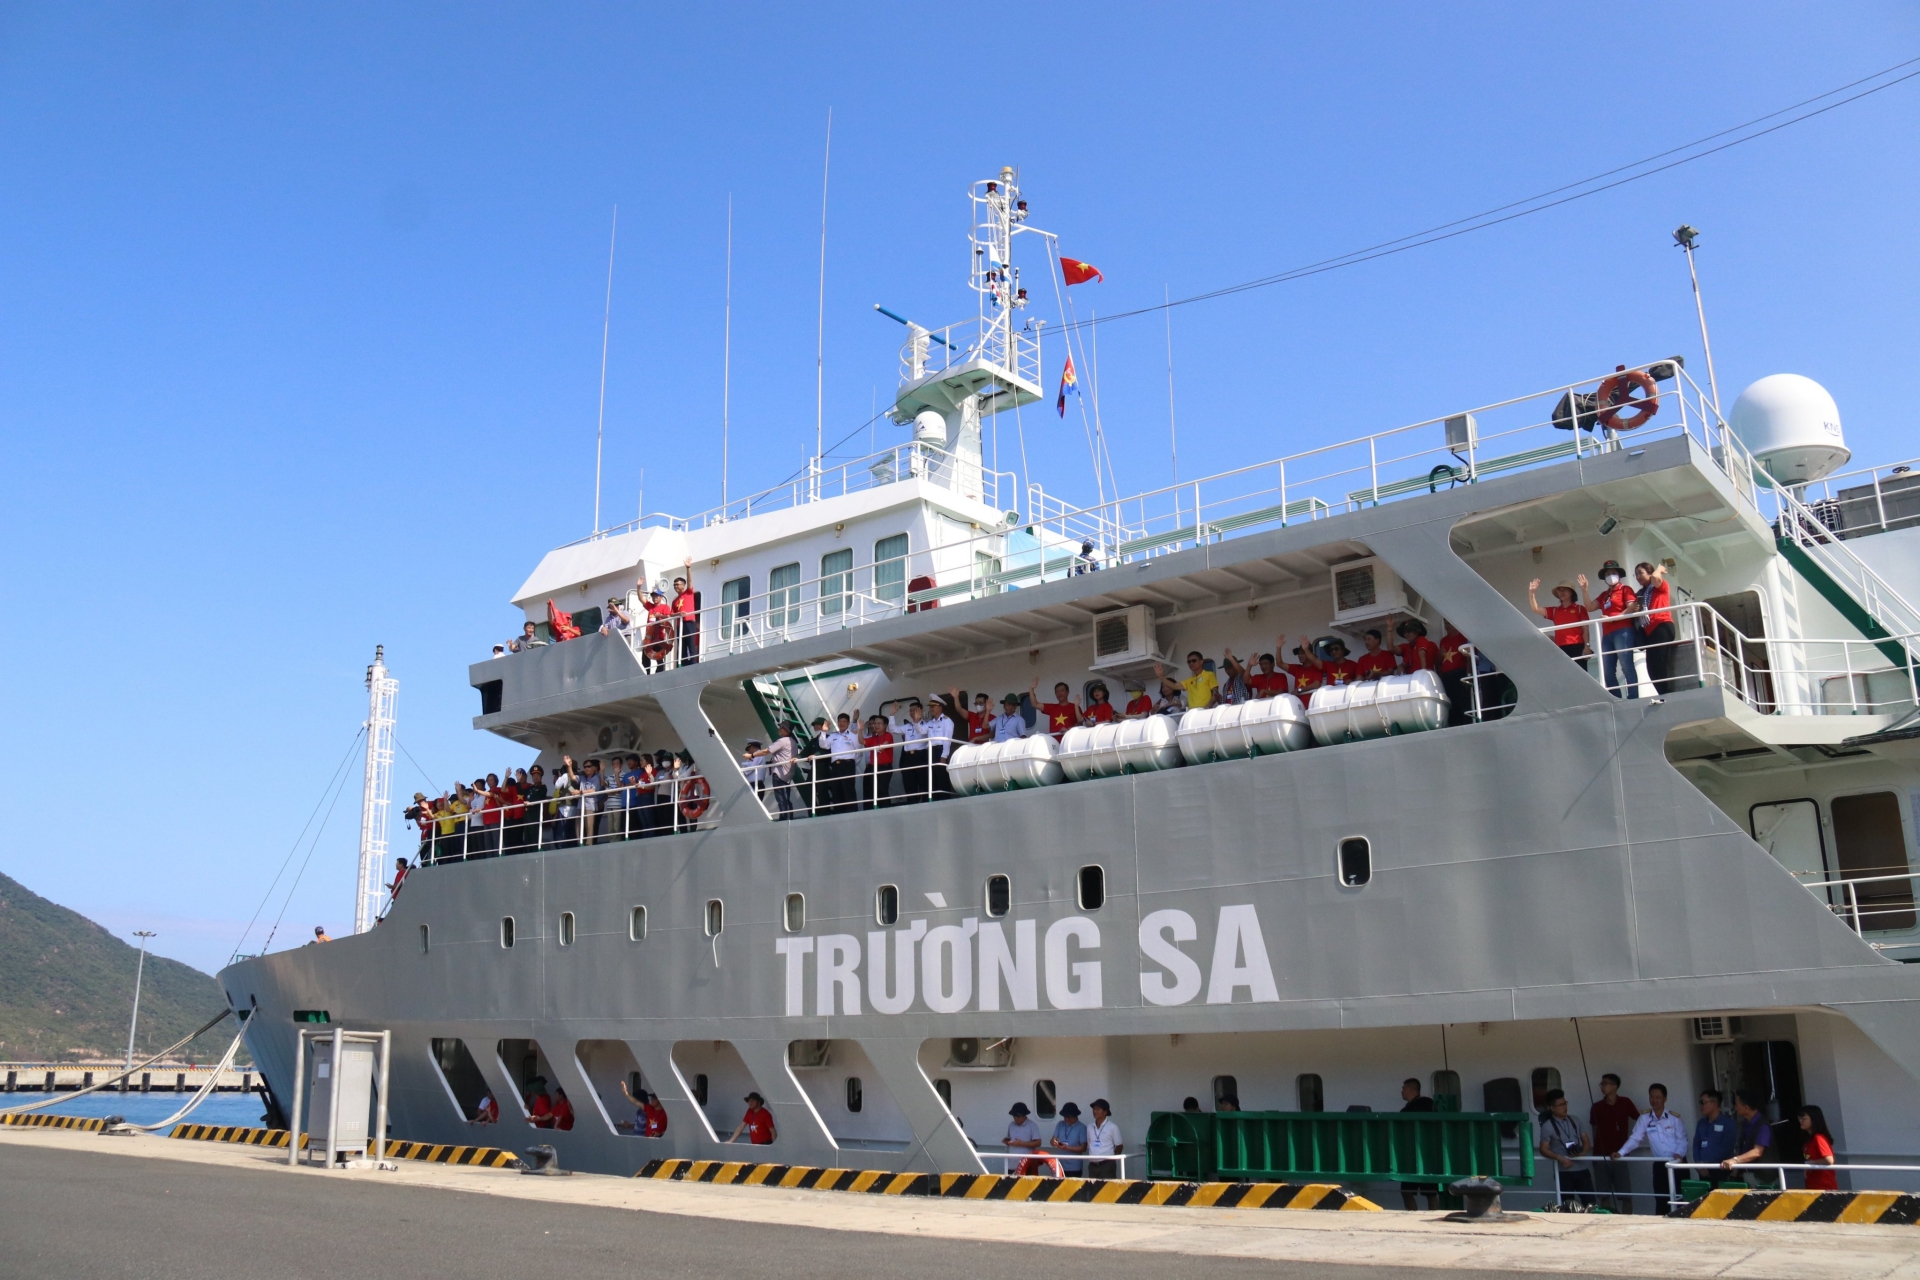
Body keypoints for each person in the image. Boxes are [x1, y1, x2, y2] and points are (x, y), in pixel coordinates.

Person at [1615, 1083, 1688, 1214]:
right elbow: (1635, 1138)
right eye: (1651, 1097)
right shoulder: (1644, 1117)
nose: (1654, 1100)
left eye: (1658, 1097)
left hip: (1677, 1163)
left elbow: (1682, 1140)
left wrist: (1678, 1154)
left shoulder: (1674, 1118)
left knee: (1680, 1200)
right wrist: (1621, 1153)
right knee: (1661, 1200)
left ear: (1665, 1099)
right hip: (1660, 1165)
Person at [1589, 1073, 1641, 1213]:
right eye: (1601, 1084)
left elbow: (1640, 1120)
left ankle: (1627, 1221)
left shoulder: (1625, 1102)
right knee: (1604, 1195)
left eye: (1605, 1083)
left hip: (1620, 1155)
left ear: (1614, 1086)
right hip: (1601, 1155)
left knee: (1626, 1195)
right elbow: (1594, 1130)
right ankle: (1606, 1219)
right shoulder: (1597, 1107)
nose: (1602, 1086)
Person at [1537, 1089, 1594, 1206]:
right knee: (1568, 1204)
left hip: (1582, 1168)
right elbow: (1543, 1149)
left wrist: (1583, 1152)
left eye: (1565, 1103)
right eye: (1561, 1105)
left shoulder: (1575, 1120)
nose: (1564, 1107)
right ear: (1552, 1108)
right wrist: (1559, 1158)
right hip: (1563, 1171)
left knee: (1590, 1202)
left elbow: (1586, 1141)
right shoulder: (1547, 1126)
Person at [1594, 560, 1641, 699]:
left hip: (1623, 630)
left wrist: (1613, 619)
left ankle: (1633, 698)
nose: (1610, 576)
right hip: (1607, 634)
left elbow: (1632, 607)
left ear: (1619, 575)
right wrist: (1584, 589)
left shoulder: (1625, 589)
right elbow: (1590, 607)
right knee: (1607, 672)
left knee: (1626, 665)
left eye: (1613, 572)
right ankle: (1617, 700)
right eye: (1607, 573)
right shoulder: (1604, 595)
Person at [1634, 561, 1678, 697]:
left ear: (1650, 572)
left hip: (1661, 627)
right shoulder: (1641, 594)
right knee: (1651, 668)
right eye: (1636, 575)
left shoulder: (1660, 586)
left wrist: (1658, 570)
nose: (1638, 577)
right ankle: (1663, 694)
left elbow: (1655, 578)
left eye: (1640, 573)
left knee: (1661, 664)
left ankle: (1669, 695)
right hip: (1649, 632)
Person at [1529, 578, 1593, 665]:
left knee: (1579, 672)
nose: (1561, 592)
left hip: (1577, 645)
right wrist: (1532, 593)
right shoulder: (1555, 610)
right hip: (1560, 647)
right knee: (1565, 672)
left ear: (1571, 592)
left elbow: (1585, 630)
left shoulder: (1579, 608)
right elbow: (1535, 609)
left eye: (1565, 589)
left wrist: (1587, 646)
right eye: (1559, 590)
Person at [1722, 1089, 1776, 1186]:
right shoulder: (1746, 1123)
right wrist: (1736, 1170)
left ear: (1746, 1107)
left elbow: (1757, 1152)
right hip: (1749, 1174)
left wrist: (1734, 1160)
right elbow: (1744, 1147)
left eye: (1737, 1104)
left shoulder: (1762, 1125)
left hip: (1763, 1178)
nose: (1735, 1107)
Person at [1399, 1079, 1438, 1210]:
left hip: (1417, 1154)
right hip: (1423, 1154)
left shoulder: (1422, 1104)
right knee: (1427, 1192)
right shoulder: (1426, 1105)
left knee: (1425, 1192)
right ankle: (1429, 1214)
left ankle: (1416, 1215)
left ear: (1410, 1089)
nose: (1401, 1091)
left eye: (1403, 1088)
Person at [823, 713, 862, 815]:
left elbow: (859, 752)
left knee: (848, 789)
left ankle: (852, 813)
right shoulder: (833, 736)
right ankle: (838, 813)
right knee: (836, 789)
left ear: (848, 723)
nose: (842, 723)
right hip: (835, 766)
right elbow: (824, 745)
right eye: (840, 721)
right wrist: (823, 731)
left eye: (844, 721)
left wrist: (852, 763)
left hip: (848, 765)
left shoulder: (853, 736)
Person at [1692, 1089, 1739, 1170]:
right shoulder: (1701, 1123)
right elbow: (1696, 1145)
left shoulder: (1728, 1123)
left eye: (1703, 1102)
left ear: (1714, 1104)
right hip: (1702, 1169)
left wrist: (1707, 1164)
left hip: (1721, 1168)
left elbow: (1727, 1148)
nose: (1700, 1106)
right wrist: (1698, 1164)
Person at [1437, 622, 1473, 725]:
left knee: (1463, 703)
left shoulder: (1464, 638)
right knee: (1451, 705)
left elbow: (1470, 658)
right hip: (1447, 677)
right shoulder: (1443, 641)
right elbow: (1438, 662)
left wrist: (1468, 675)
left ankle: (1468, 725)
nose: (1447, 626)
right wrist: (1440, 656)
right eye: (1445, 624)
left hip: (1460, 674)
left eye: (1449, 623)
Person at [1797, 1105, 1837, 1191]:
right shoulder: (1809, 1139)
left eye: (1804, 1118)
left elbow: (1829, 1160)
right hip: (1812, 1186)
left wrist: (1810, 1163)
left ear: (1814, 1119)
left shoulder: (1818, 1138)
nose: (1801, 1121)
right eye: (1800, 1118)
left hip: (1824, 1187)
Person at [924, 694, 957, 798]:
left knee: (942, 777)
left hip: (940, 751)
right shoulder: (930, 723)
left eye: (933, 706)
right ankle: (935, 799)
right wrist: (916, 721)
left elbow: (947, 740)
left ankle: (944, 799)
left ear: (940, 707)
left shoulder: (947, 721)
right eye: (930, 707)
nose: (931, 709)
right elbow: (921, 730)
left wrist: (944, 756)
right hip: (931, 751)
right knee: (932, 778)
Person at [766, 722, 801, 819]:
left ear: (786, 730)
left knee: (780, 797)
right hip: (788, 773)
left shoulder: (782, 741)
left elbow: (767, 751)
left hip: (779, 772)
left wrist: (752, 755)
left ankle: (784, 817)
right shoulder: (793, 742)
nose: (780, 729)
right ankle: (788, 816)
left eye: (781, 727)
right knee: (786, 796)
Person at [860, 715, 895, 809]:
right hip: (873, 767)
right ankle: (874, 810)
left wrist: (880, 747)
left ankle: (886, 810)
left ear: (885, 725)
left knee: (882, 790)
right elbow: (862, 741)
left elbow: (884, 745)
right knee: (872, 790)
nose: (876, 726)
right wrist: (860, 730)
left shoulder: (888, 735)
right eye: (875, 724)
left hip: (885, 767)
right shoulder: (873, 738)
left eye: (879, 723)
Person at [1086, 1098, 1123, 1179]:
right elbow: (1089, 1144)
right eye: (1094, 1109)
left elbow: (1119, 1146)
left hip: (1107, 1165)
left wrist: (1112, 1160)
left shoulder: (1112, 1127)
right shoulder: (1089, 1127)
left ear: (1105, 1112)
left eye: (1098, 1109)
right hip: (1092, 1165)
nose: (1095, 1111)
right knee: (1092, 1186)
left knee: (1108, 1186)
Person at [1049, 1102, 1088, 1176]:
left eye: (1070, 1117)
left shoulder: (1082, 1127)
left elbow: (1083, 1148)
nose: (1067, 1119)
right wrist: (1054, 1142)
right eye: (1065, 1117)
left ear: (1076, 1116)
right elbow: (1052, 1141)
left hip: (1074, 1167)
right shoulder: (1060, 1124)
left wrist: (1067, 1148)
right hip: (1060, 1165)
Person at [672, 563, 699, 666]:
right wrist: (678, 613)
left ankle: (693, 662)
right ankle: (683, 663)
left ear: (683, 585)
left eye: (677, 584)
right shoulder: (674, 601)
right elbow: (671, 614)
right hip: (680, 625)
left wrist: (688, 568)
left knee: (690, 642)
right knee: (682, 645)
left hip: (689, 622)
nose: (675, 586)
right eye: (674, 585)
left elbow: (690, 581)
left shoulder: (688, 593)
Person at [1004, 1101, 1043, 1173]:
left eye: (1018, 1116)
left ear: (1024, 1115)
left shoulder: (1032, 1125)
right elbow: (1009, 1139)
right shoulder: (1011, 1125)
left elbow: (1038, 1142)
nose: (1016, 1118)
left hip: (1027, 1164)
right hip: (1012, 1164)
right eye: (1014, 1116)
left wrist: (1021, 1143)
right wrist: (1007, 1142)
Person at [640, 588, 674, 672]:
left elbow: (668, 616)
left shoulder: (665, 607)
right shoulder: (650, 607)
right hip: (649, 638)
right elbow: (641, 599)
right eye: (653, 596)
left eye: (657, 596)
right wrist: (638, 587)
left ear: (661, 597)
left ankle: (658, 675)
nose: (654, 598)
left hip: (659, 637)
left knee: (660, 659)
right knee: (645, 659)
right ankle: (646, 675)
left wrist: (660, 615)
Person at [521, 764, 550, 848]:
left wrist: (530, 803)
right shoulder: (530, 787)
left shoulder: (543, 787)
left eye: (537, 775)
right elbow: (521, 791)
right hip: (527, 815)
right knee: (527, 837)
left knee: (534, 836)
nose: (535, 777)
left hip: (535, 814)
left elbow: (540, 797)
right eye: (534, 776)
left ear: (541, 777)